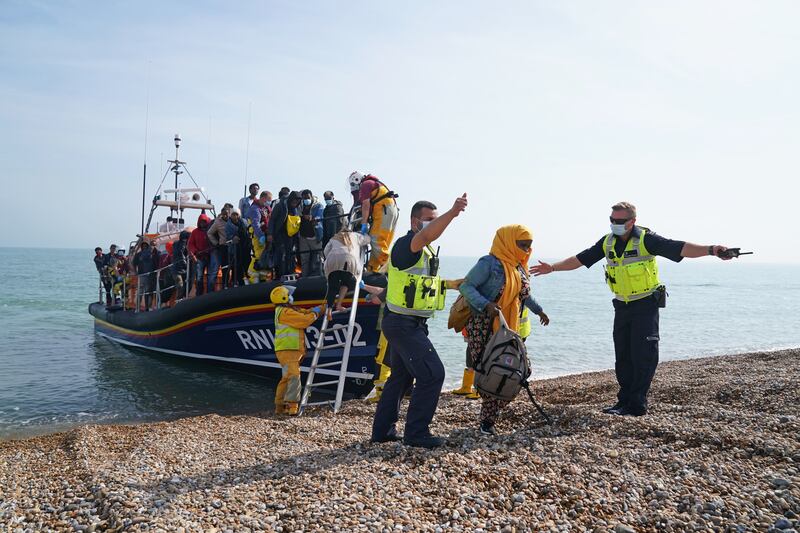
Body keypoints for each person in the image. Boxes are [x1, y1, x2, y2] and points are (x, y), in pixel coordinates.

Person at [531, 201, 733, 417]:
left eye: (619, 221)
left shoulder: (647, 239)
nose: (614, 224)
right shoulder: (607, 242)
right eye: (612, 220)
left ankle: (637, 405)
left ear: (632, 221)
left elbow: (681, 247)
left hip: (646, 304)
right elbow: (580, 259)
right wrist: (552, 268)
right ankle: (624, 402)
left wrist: (712, 250)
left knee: (643, 355)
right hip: (622, 305)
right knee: (624, 355)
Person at [371, 194, 468, 449]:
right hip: (403, 324)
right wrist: (453, 213)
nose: (431, 225)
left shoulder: (421, 251)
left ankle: (382, 431)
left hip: (404, 322)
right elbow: (427, 236)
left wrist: (451, 284)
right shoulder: (408, 245)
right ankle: (417, 433)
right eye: (428, 220)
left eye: (433, 220)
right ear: (415, 222)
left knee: (401, 379)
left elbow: (416, 285)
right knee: (433, 374)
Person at [458, 225, 548, 435]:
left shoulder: (519, 266)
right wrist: (486, 304)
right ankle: (487, 421)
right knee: (493, 370)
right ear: (507, 241)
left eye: (529, 246)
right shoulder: (489, 263)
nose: (526, 250)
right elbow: (466, 286)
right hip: (484, 325)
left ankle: (489, 414)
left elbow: (523, 295)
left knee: (519, 370)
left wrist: (540, 311)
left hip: (510, 327)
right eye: (522, 245)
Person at [270, 285, 323, 416]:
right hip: (288, 350)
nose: (292, 297)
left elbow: (304, 312)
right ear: (284, 298)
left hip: (287, 350)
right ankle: (292, 406)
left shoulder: (286, 310)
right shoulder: (285, 312)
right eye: (289, 295)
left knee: (287, 377)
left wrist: (322, 307)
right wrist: (315, 313)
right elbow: (305, 320)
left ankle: (280, 406)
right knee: (294, 376)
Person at [322, 228, 384, 320]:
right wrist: (364, 233)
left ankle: (329, 310)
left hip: (332, 259)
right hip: (349, 260)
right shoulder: (355, 235)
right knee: (347, 282)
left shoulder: (334, 237)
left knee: (333, 286)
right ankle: (339, 305)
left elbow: (326, 251)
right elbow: (368, 239)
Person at [348, 171, 400, 273]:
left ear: (357, 180)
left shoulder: (366, 184)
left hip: (384, 210)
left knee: (375, 238)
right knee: (382, 242)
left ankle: (391, 267)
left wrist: (364, 223)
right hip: (391, 210)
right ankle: (373, 269)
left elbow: (366, 205)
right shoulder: (374, 183)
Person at [269, 190, 302, 278]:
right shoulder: (280, 206)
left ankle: (290, 273)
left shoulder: (297, 208)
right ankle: (280, 275)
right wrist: (270, 234)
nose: (296, 202)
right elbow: (272, 220)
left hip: (291, 235)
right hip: (280, 234)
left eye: (298, 200)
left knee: (290, 255)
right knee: (280, 255)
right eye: (294, 200)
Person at [298, 189, 324, 277]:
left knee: (320, 257)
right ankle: (305, 277)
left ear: (311, 197)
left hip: (315, 236)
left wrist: (312, 218)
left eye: (308, 198)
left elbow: (319, 215)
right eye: (304, 198)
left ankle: (322, 275)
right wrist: (302, 217)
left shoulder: (318, 205)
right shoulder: (300, 206)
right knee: (304, 259)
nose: (306, 200)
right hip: (303, 237)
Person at [188, 213, 212, 296]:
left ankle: (210, 292)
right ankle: (199, 293)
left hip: (209, 257)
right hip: (200, 258)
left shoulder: (210, 230)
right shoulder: (194, 232)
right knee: (199, 276)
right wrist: (195, 251)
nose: (202, 223)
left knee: (210, 275)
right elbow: (190, 244)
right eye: (201, 222)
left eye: (204, 221)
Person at [207, 208, 231, 291]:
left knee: (229, 268)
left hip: (232, 247)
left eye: (226, 214)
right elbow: (209, 233)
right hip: (223, 247)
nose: (225, 216)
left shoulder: (232, 220)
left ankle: (226, 286)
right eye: (223, 214)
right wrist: (216, 243)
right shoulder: (217, 222)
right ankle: (210, 290)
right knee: (219, 269)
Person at [226, 209, 250, 286]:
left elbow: (248, 231)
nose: (235, 216)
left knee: (247, 265)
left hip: (245, 247)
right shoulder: (228, 225)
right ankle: (239, 283)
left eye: (236, 214)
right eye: (233, 214)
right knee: (237, 266)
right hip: (235, 249)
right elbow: (227, 236)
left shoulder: (244, 222)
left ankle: (249, 282)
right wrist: (233, 238)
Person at [132, 241, 157, 310]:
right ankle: (138, 307)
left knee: (148, 291)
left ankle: (147, 307)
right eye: (143, 246)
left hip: (151, 275)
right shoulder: (138, 254)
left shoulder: (152, 254)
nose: (144, 247)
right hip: (142, 275)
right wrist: (136, 272)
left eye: (146, 246)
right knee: (141, 291)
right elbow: (134, 263)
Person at [171, 230, 191, 299]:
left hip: (175, 269)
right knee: (181, 286)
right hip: (180, 268)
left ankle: (180, 299)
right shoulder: (183, 244)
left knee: (181, 286)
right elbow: (180, 254)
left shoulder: (175, 243)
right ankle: (179, 300)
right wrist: (186, 265)